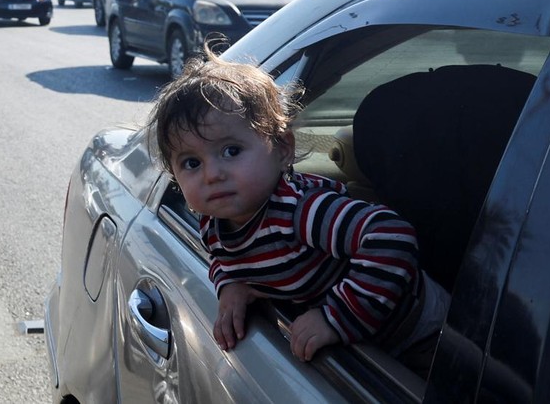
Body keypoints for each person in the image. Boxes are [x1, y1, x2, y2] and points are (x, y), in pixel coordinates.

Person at [146, 48, 450, 373]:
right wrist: (230, 285)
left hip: (424, 330)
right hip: (382, 344)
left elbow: (391, 237)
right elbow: (225, 259)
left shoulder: (300, 212)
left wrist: (336, 317)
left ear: (283, 150)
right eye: (192, 163)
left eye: (231, 151)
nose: (212, 174)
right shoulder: (213, 222)